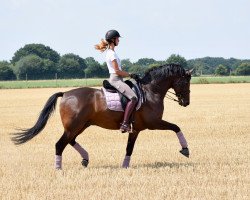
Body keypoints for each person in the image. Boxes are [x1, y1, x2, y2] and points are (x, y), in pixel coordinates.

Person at [95, 30, 139, 133]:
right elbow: (117, 71)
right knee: (133, 98)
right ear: (113, 40)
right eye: (117, 38)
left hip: (119, 79)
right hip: (116, 79)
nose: (119, 40)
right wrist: (130, 74)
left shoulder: (112, 52)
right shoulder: (112, 54)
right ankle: (124, 124)